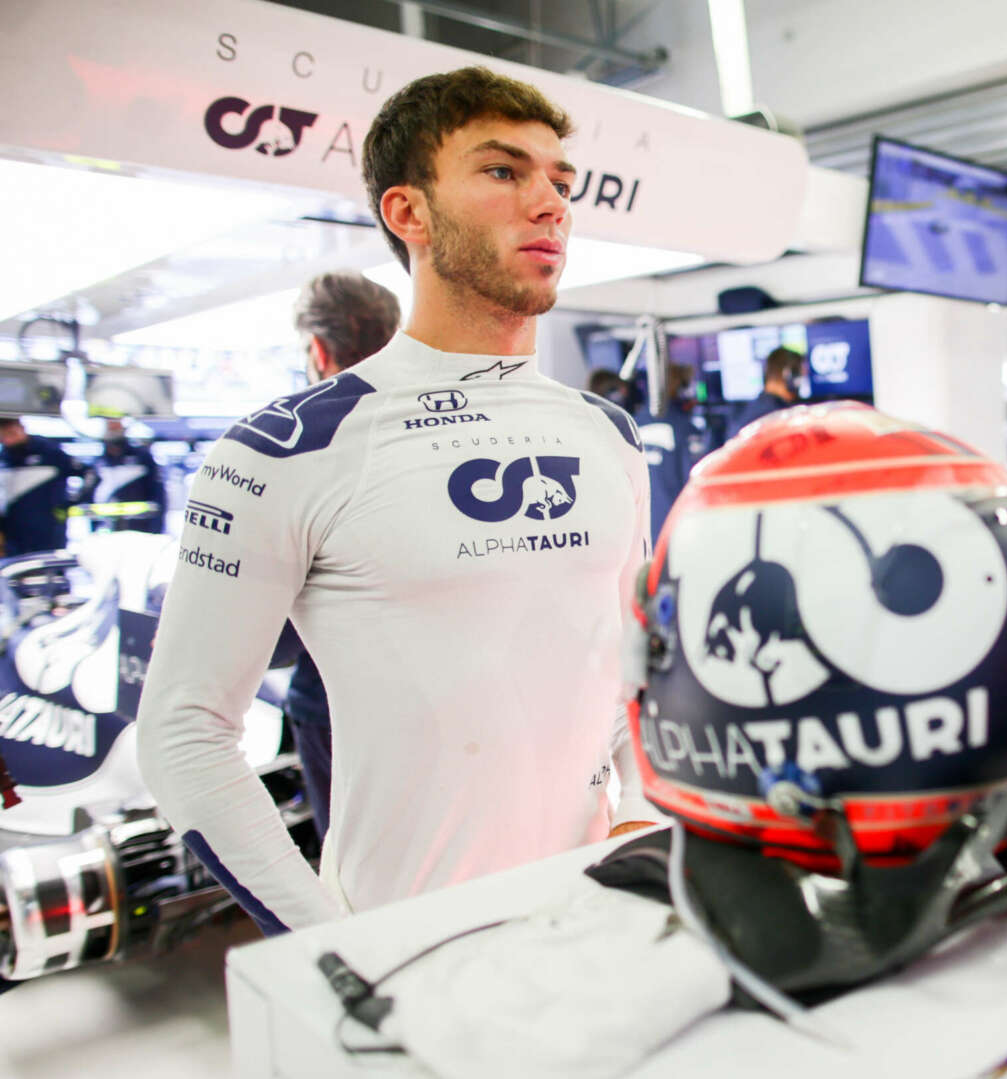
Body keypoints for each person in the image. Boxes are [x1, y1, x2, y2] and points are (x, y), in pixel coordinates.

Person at [138, 66, 657, 935]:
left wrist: (637, 816)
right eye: (503, 171)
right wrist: (333, 950)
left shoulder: (607, 433)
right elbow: (184, 733)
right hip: (407, 943)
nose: (550, 204)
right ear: (408, 212)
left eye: (560, 182)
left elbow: (629, 667)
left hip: (598, 919)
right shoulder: (289, 447)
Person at [274, 270, 403, 837]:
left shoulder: (290, 448)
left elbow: (270, 639)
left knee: (358, 868)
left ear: (319, 351)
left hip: (334, 706)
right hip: (442, 697)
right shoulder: (447, 431)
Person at [632, 362, 709, 546]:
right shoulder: (686, 429)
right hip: (679, 532)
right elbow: (698, 482)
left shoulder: (631, 425)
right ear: (681, 388)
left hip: (641, 535)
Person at [0, 416, 83, 556]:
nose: (8, 439)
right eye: (3, 435)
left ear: (21, 428)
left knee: (50, 563)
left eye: (11, 433)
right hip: (14, 531)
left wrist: (68, 504)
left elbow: (88, 473)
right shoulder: (4, 458)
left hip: (48, 527)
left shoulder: (50, 451)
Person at [90, 419, 166, 533]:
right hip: (107, 528)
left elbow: (158, 494)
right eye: (110, 426)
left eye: (116, 426)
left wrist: (156, 528)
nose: (113, 429)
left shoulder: (142, 458)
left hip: (140, 528)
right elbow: (92, 496)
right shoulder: (99, 462)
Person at [729, 346, 803, 434]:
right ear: (789, 375)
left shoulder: (752, 410)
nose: (800, 383)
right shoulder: (778, 416)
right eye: (800, 377)